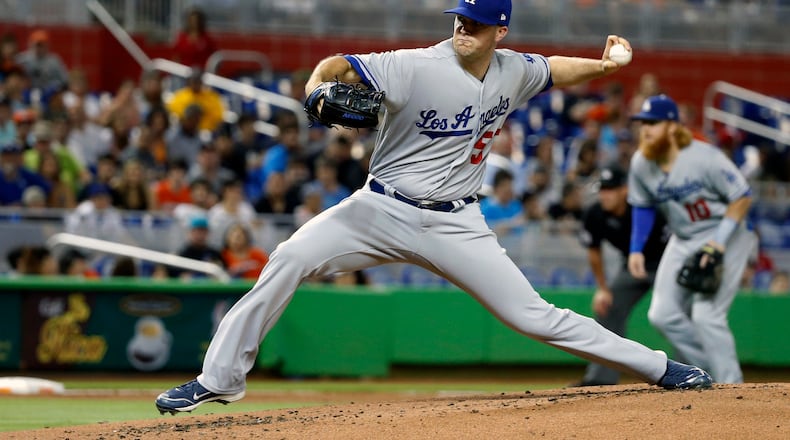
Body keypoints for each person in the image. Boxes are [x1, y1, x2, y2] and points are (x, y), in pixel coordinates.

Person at [155, 0, 712, 415]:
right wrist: (314, 86)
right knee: (288, 256)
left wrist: (604, 67)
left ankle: (661, 369)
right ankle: (218, 378)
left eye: (475, 22)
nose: (462, 28)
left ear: (501, 29)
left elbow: (554, 68)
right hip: (379, 209)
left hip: (458, 223)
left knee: (533, 317)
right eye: (458, 19)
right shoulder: (414, 66)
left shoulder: (513, 70)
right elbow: (337, 65)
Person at [626, 94, 757, 384]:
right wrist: (636, 249)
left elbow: (742, 197)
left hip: (727, 232)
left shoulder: (704, 156)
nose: (645, 130)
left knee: (706, 314)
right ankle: (705, 372)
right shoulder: (641, 163)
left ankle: (732, 385)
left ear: (672, 126)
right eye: (642, 123)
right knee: (662, 314)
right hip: (684, 238)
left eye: (653, 123)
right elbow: (643, 205)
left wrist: (719, 243)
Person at [571, 165, 668, 387]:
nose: (605, 195)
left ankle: (689, 370)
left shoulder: (645, 209)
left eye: (611, 189)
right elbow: (594, 252)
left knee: (674, 314)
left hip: (666, 264)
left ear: (624, 190)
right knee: (608, 306)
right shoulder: (595, 214)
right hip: (633, 267)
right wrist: (603, 288)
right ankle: (600, 378)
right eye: (602, 189)